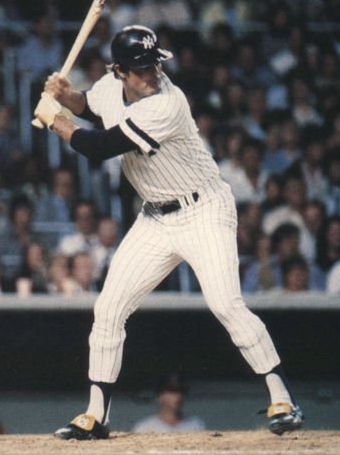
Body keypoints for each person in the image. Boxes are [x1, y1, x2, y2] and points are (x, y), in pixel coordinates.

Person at [33, 25, 303, 440]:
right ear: (119, 71)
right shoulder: (111, 85)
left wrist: (56, 120)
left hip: (205, 210)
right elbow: (89, 103)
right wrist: (61, 94)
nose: (152, 73)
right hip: (156, 217)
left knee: (226, 305)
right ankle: (94, 415)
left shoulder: (167, 104)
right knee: (108, 310)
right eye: (141, 68)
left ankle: (282, 397)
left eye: (154, 63)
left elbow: (98, 146)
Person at [131, 374, 205, 433]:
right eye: (172, 391)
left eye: (181, 391)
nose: (178, 396)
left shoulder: (196, 425)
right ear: (159, 396)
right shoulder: (144, 428)